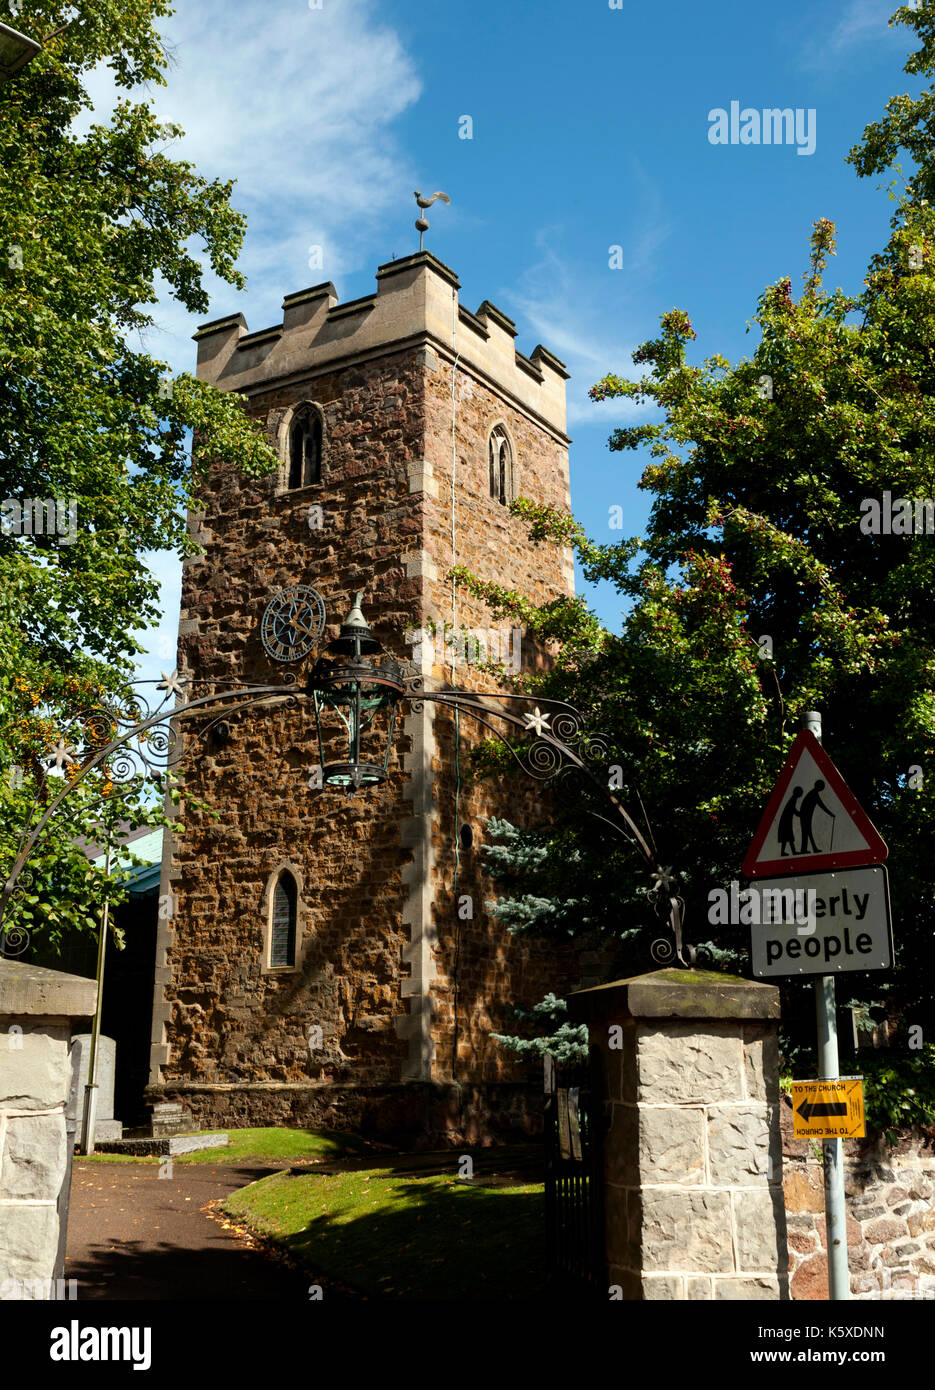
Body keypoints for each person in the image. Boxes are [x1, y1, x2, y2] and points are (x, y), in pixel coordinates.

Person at [799, 779, 833, 853]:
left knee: (808, 832)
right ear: (819, 786)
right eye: (822, 786)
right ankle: (806, 849)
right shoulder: (814, 794)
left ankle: (810, 849)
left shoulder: (813, 793)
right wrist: (830, 814)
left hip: (806, 816)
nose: (822, 788)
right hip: (805, 816)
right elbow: (822, 805)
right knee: (806, 832)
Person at [777, 786, 802, 857]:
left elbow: (793, 809)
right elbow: (793, 809)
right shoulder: (793, 799)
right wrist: (799, 814)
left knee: (787, 838)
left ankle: (787, 852)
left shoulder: (793, 798)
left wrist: (798, 814)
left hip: (786, 820)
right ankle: (792, 852)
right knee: (789, 837)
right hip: (786, 821)